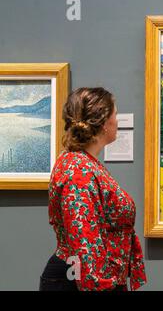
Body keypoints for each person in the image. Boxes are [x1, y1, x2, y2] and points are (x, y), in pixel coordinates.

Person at [39, 87, 147, 291]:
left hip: (92, 278)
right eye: (116, 114)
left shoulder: (85, 163)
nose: (118, 120)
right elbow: (85, 244)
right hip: (81, 282)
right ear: (104, 122)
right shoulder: (78, 172)